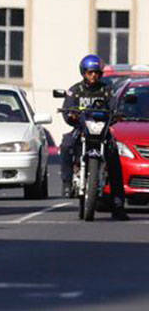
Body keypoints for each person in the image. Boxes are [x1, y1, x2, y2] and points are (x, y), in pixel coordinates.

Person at [61, 53, 127, 219]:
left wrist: (118, 114)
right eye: (90, 72)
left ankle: (118, 205)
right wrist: (71, 115)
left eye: (97, 73)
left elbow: (115, 106)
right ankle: (67, 183)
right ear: (83, 73)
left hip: (102, 131)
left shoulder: (107, 90)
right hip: (82, 129)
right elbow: (68, 108)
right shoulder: (75, 91)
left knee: (114, 157)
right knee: (67, 144)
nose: (93, 76)